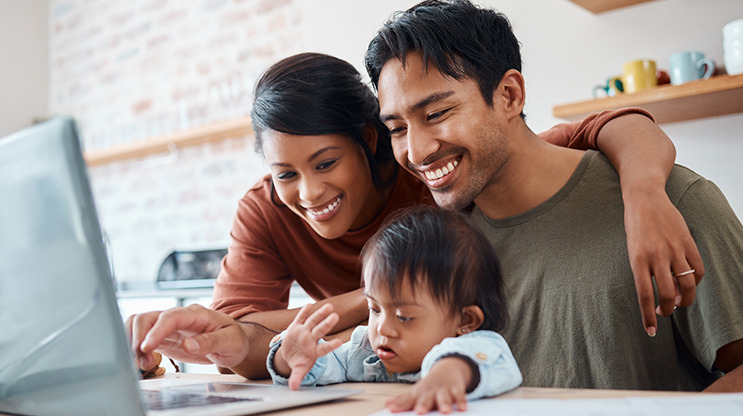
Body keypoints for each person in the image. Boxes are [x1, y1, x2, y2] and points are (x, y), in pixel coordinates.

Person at [126, 51, 700, 380]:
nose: (308, 190)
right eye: (286, 173)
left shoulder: (437, 173)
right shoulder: (267, 207)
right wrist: (203, 343)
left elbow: (607, 125)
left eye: (326, 162)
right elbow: (239, 337)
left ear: (371, 142)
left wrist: (646, 193)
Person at [364, 0, 743, 391]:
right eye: (396, 128)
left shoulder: (672, 203)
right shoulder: (445, 250)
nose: (416, 150)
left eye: (436, 114)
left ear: (509, 95)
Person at [267, 207, 521, 414]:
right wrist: (289, 359)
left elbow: (486, 363)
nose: (382, 328)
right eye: (374, 309)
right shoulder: (364, 350)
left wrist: (449, 373)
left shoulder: (478, 347)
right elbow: (321, 369)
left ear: (465, 320)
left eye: (404, 317)